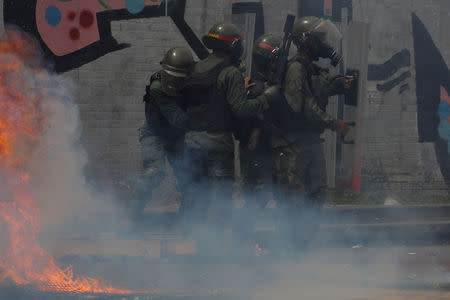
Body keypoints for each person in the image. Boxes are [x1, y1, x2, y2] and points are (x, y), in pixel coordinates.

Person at [181, 23, 281, 254]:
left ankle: (199, 248)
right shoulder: (230, 72)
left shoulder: (196, 68)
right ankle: (214, 252)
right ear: (234, 46)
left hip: (192, 143)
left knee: (198, 197)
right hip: (218, 143)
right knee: (220, 200)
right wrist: (266, 98)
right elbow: (241, 109)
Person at [268, 16, 353, 252]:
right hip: (293, 146)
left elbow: (318, 83)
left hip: (309, 144)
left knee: (316, 196)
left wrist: (337, 84)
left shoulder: (307, 68)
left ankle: (302, 249)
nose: (325, 43)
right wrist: (335, 123)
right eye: (321, 39)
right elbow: (304, 106)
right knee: (293, 202)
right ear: (308, 41)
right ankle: (288, 252)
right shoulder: (295, 68)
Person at [130, 47, 205, 221]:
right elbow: (178, 119)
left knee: (189, 178)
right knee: (154, 172)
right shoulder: (157, 87)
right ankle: (131, 217)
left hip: (176, 137)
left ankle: (190, 221)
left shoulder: (191, 83)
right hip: (153, 134)